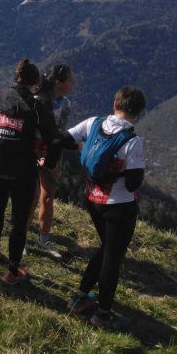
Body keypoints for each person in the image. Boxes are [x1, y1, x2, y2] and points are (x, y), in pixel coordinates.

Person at [0, 59, 76, 285]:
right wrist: (66, 150)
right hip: (24, 170)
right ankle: (13, 270)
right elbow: (52, 138)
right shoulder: (36, 107)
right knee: (18, 218)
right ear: (35, 83)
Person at [65, 86, 146, 331]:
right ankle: (103, 313)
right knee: (112, 258)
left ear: (115, 104)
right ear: (138, 113)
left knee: (107, 249)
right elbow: (133, 182)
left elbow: (65, 139)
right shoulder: (133, 141)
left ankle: (80, 297)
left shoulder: (93, 124)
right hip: (119, 207)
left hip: (92, 200)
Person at [27, 64, 75, 258]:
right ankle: (21, 237)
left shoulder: (65, 104)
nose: (73, 84)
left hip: (53, 153)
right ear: (58, 83)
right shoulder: (37, 100)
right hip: (33, 151)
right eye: (70, 80)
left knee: (48, 196)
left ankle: (44, 239)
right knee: (31, 197)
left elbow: (61, 130)